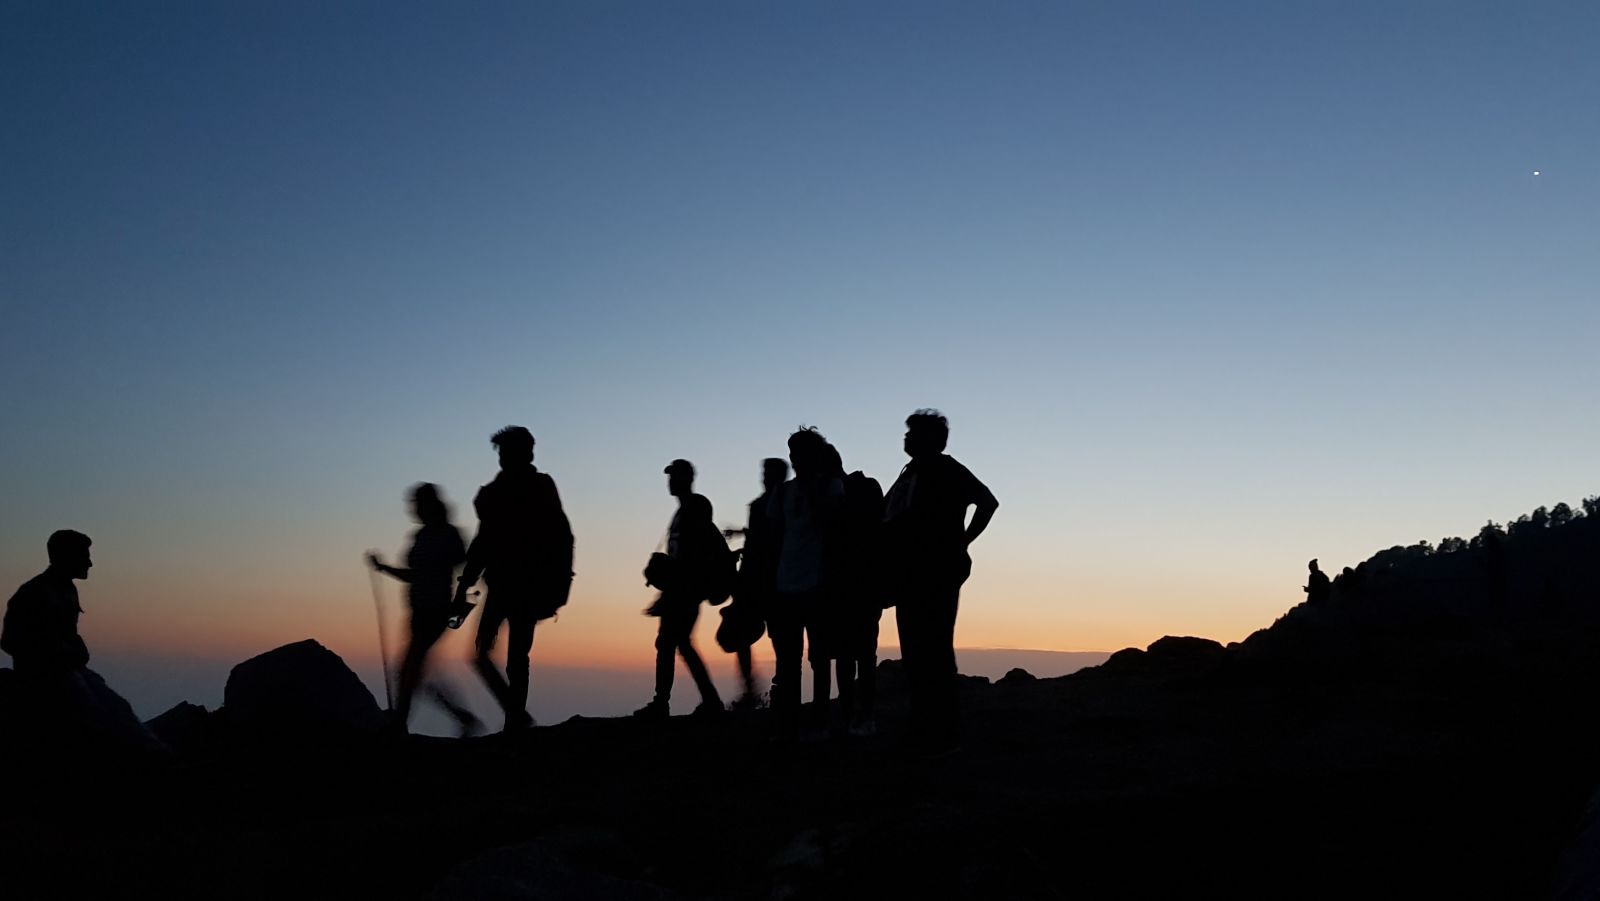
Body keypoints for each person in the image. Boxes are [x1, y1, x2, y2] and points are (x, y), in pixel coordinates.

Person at [882, 409, 998, 753]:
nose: (905, 438)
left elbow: (987, 502)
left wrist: (962, 540)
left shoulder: (946, 469)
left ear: (929, 439)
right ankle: (926, 722)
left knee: (932, 647)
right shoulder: (911, 472)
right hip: (910, 570)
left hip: (936, 568)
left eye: (912, 433)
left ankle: (941, 728)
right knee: (916, 648)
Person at [453, 426, 574, 732]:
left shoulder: (525, 489)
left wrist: (558, 582)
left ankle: (515, 721)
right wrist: (466, 582)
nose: (503, 458)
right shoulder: (499, 492)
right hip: (508, 584)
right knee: (495, 655)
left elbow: (559, 536)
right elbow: (484, 540)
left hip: (526, 585)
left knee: (512, 655)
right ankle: (516, 717)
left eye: (507, 451)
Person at [2, 531, 157, 750]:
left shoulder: (67, 589)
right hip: (46, 676)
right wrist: (54, 654)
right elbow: (10, 640)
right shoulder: (34, 592)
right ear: (67, 557)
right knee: (93, 716)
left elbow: (66, 633)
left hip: (70, 669)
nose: (90, 563)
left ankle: (158, 756)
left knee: (119, 708)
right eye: (85, 556)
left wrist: (74, 648)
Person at [367, 483, 480, 735]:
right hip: (420, 612)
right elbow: (416, 575)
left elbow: (429, 572)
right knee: (413, 670)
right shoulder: (428, 536)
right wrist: (383, 568)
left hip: (436, 611)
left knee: (409, 668)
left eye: (417, 504)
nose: (413, 509)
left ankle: (400, 724)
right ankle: (460, 716)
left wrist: (384, 568)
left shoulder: (442, 536)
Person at [768, 428, 845, 731]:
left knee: (820, 658)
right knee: (788, 661)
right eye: (792, 453)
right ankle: (790, 723)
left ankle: (820, 720)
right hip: (786, 584)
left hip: (819, 584)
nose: (795, 459)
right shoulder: (783, 492)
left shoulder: (832, 486)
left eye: (800, 453)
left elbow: (834, 525)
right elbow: (773, 538)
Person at [635, 459, 724, 718]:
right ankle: (700, 701)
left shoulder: (696, 506)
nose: (670, 482)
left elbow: (695, 552)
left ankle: (666, 703)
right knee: (675, 644)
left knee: (672, 643)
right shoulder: (683, 510)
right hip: (681, 589)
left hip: (687, 589)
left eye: (674, 477)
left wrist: (679, 584)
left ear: (686, 479)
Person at [722, 457, 789, 709]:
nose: (764, 477)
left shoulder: (782, 501)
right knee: (752, 635)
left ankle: (771, 689)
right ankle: (757, 689)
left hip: (770, 580)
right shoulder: (767, 503)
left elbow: (771, 538)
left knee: (776, 637)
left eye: (768, 473)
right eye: (764, 472)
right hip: (756, 579)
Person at [833, 446, 886, 736]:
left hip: (864, 584)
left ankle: (864, 715)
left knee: (863, 653)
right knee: (846, 654)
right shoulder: (844, 492)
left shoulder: (865, 488)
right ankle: (849, 713)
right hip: (843, 585)